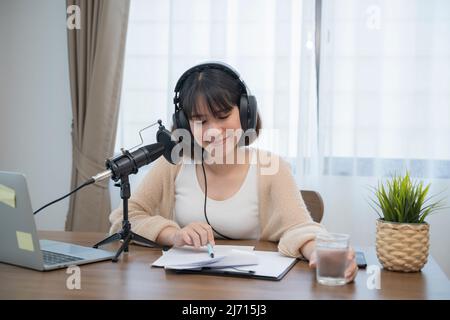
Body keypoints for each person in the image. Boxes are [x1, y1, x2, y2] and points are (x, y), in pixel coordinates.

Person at [109, 62, 358, 283]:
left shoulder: (271, 167)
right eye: (201, 121)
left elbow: (299, 228)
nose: (214, 131)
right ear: (185, 124)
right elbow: (126, 220)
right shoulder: (174, 164)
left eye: (223, 115)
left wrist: (318, 251)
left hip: (253, 288)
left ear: (246, 112)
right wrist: (174, 235)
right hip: (184, 287)